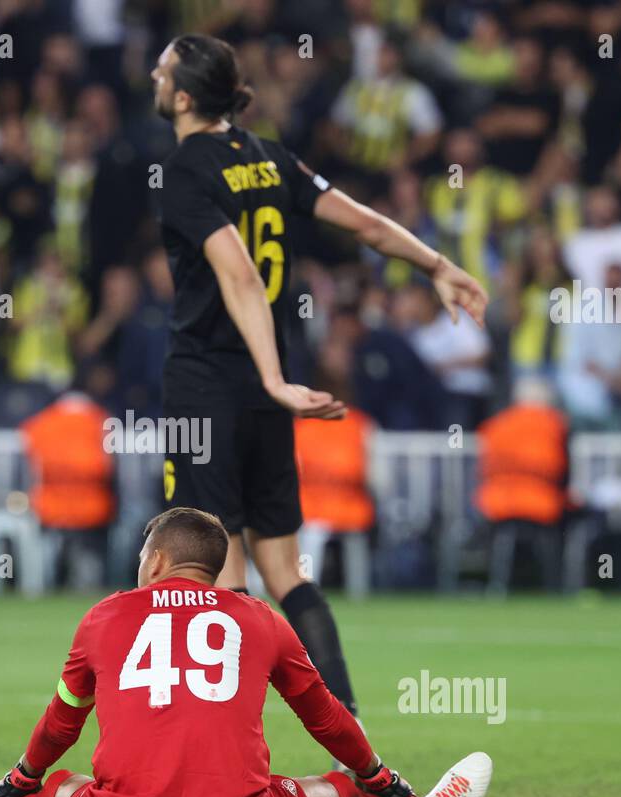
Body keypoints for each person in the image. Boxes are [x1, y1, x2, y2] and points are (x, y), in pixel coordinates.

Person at [146, 35, 488, 725]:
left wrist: (271, 376)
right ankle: (350, 727)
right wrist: (437, 265)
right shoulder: (268, 157)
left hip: (211, 386)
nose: (152, 74)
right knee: (286, 570)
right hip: (271, 393)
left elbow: (237, 271)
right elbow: (364, 223)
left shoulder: (185, 169)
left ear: (183, 96)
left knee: (220, 575)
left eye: (162, 69)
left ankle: (231, 745)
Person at [0, 507, 492, 797]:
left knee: (63, 791)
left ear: (158, 560)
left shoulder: (103, 617)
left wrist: (20, 779)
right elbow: (325, 716)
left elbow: (62, 721)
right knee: (337, 795)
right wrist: (379, 777)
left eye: (144, 554)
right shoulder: (261, 618)